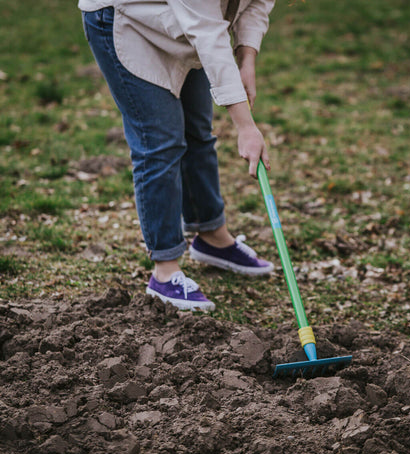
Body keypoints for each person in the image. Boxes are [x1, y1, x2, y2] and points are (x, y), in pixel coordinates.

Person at [79, 0, 276, 311]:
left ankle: (212, 236)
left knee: (197, 132)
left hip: (181, 24)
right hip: (127, 21)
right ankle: (165, 271)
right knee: (160, 142)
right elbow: (208, 33)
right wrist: (246, 126)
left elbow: (256, 4)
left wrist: (247, 56)